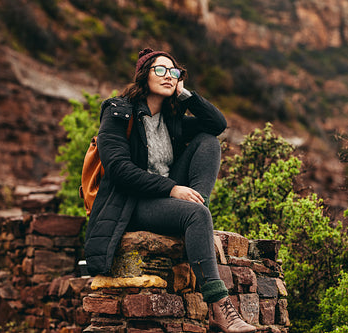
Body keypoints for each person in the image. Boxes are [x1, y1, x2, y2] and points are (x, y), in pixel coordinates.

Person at [83, 48, 256, 333]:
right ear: (143, 75)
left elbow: (217, 125)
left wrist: (186, 95)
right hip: (131, 203)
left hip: (164, 198)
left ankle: (199, 211)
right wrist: (173, 189)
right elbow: (119, 170)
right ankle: (219, 308)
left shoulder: (172, 119)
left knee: (208, 142)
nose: (168, 76)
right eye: (160, 70)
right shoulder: (117, 111)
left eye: (174, 72)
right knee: (195, 216)